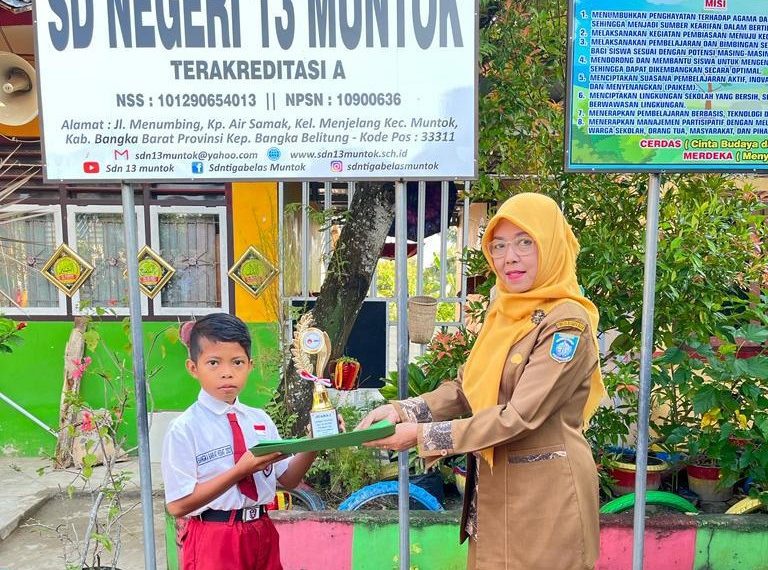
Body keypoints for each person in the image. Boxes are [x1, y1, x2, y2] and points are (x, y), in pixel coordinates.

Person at [357, 193, 604, 569]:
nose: (510, 257)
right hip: (493, 487)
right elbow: (466, 388)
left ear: (551, 245)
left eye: (525, 243)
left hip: (545, 495)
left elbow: (520, 415)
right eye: (499, 245)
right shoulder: (504, 310)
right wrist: (403, 409)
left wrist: (423, 436)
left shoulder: (565, 323)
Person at [162, 313, 319, 570]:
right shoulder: (184, 429)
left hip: (262, 529)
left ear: (250, 365)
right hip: (215, 536)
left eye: (237, 362)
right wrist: (240, 471)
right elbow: (178, 505)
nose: (227, 373)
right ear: (193, 368)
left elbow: (288, 479)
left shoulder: (260, 421)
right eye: (213, 363)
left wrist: (314, 444)